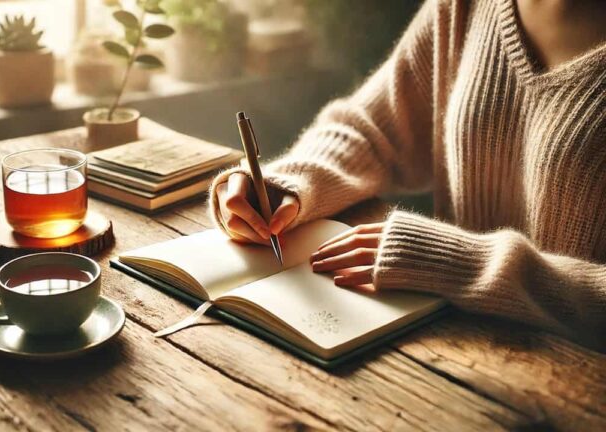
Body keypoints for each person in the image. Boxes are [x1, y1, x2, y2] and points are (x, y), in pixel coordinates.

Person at [210, 0, 606, 349]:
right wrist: (286, 186)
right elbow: (369, 128)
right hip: (450, 346)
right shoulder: (464, 7)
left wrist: (464, 264)